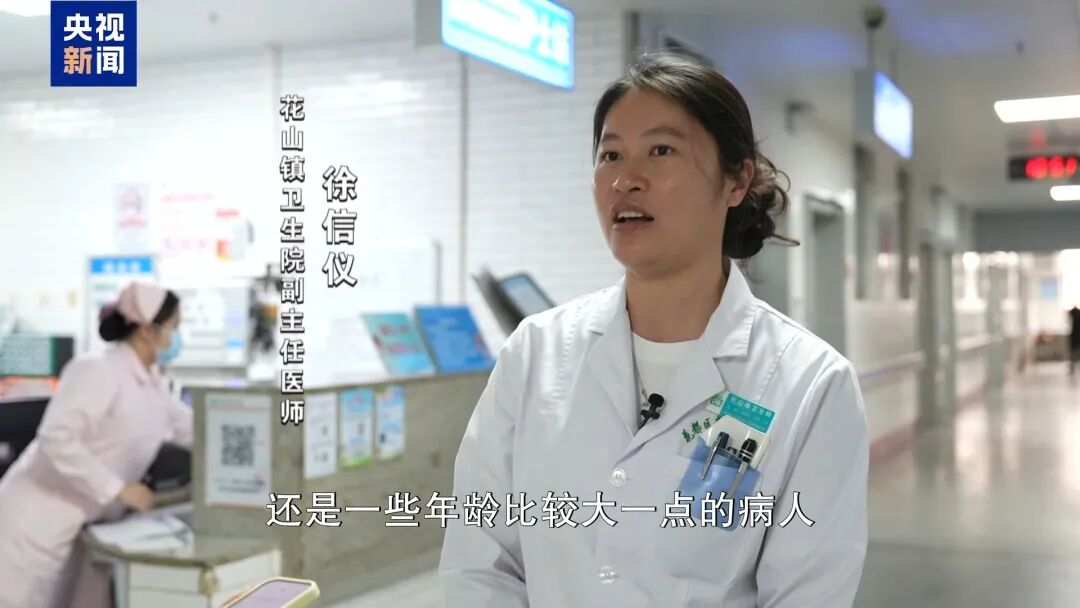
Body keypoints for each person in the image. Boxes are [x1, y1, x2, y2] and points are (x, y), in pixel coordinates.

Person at [439, 53, 868, 607]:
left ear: (736, 180)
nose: (625, 179)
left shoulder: (811, 384)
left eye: (661, 150)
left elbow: (807, 594)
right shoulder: (535, 354)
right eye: (610, 154)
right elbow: (479, 561)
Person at [0, 282, 193, 608]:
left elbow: (195, 431)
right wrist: (117, 489)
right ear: (147, 330)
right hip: (30, 531)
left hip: (81, 531)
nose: (177, 338)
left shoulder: (153, 387)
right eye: (174, 327)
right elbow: (56, 438)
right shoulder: (97, 370)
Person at [1069, 305, 1080, 376]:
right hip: (1075, 336)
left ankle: (1073, 366)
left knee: (1074, 352)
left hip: (1076, 336)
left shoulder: (1075, 315)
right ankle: (1073, 366)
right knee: (1074, 352)